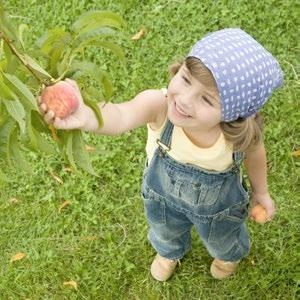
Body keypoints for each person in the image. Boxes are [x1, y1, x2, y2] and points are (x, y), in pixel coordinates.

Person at [39, 28, 284, 281]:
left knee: (223, 236)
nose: (185, 100)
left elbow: (255, 154)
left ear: (234, 114)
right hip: (163, 198)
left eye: (207, 100)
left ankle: (226, 256)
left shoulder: (235, 135)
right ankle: (169, 252)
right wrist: (87, 115)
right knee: (165, 229)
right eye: (186, 79)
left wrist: (261, 192)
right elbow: (121, 115)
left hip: (219, 208)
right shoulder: (158, 106)